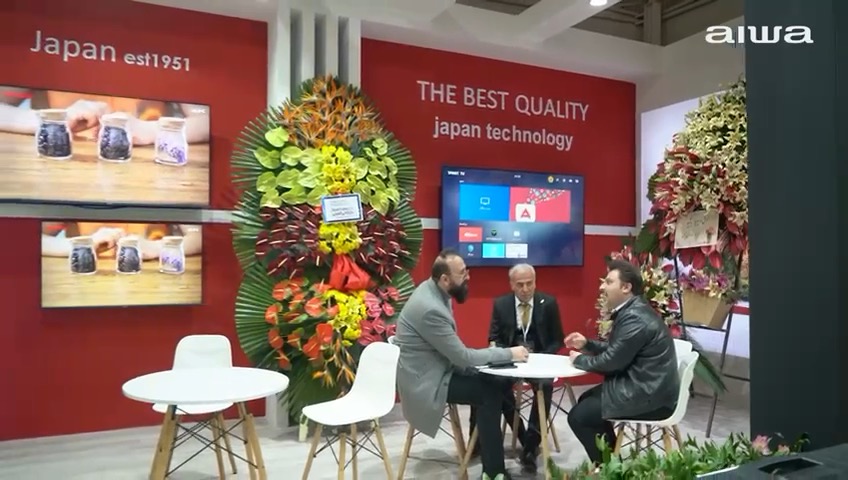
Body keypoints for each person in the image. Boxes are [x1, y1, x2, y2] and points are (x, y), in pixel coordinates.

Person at [395, 249, 529, 480]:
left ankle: (492, 447)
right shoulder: (430, 308)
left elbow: (457, 355)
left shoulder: (436, 291)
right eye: (462, 273)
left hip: (438, 370)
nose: (468, 276)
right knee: (489, 392)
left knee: (497, 382)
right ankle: (494, 472)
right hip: (427, 383)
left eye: (466, 270)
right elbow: (463, 357)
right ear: (445, 279)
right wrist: (509, 353)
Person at [565, 259, 679, 465]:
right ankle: (612, 464)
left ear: (626, 287)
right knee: (586, 400)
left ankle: (608, 469)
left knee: (579, 417)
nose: (602, 287)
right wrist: (587, 344)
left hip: (650, 396)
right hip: (647, 387)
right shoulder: (633, 311)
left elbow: (612, 362)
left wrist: (579, 359)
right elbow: (619, 351)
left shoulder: (635, 318)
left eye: (608, 282)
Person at [469, 263, 564, 474]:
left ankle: (531, 447)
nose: (525, 289)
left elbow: (557, 339)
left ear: (535, 282)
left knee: (546, 385)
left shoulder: (548, 303)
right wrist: (507, 353)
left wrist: (541, 357)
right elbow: (493, 337)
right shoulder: (501, 304)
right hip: (510, 359)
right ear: (511, 284)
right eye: (520, 284)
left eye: (530, 283)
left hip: (539, 361)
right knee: (494, 384)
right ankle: (521, 433)